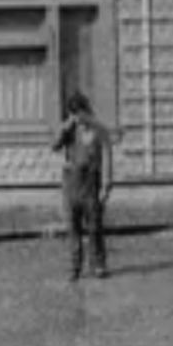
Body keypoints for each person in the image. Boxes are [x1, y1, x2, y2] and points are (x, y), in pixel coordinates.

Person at [52, 91, 113, 281]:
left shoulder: (100, 130)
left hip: (91, 183)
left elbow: (108, 160)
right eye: (73, 114)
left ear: (86, 110)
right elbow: (54, 146)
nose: (78, 118)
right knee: (73, 228)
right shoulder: (69, 131)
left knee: (95, 227)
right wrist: (65, 127)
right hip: (71, 183)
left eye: (79, 113)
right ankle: (75, 266)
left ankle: (98, 264)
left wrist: (106, 186)